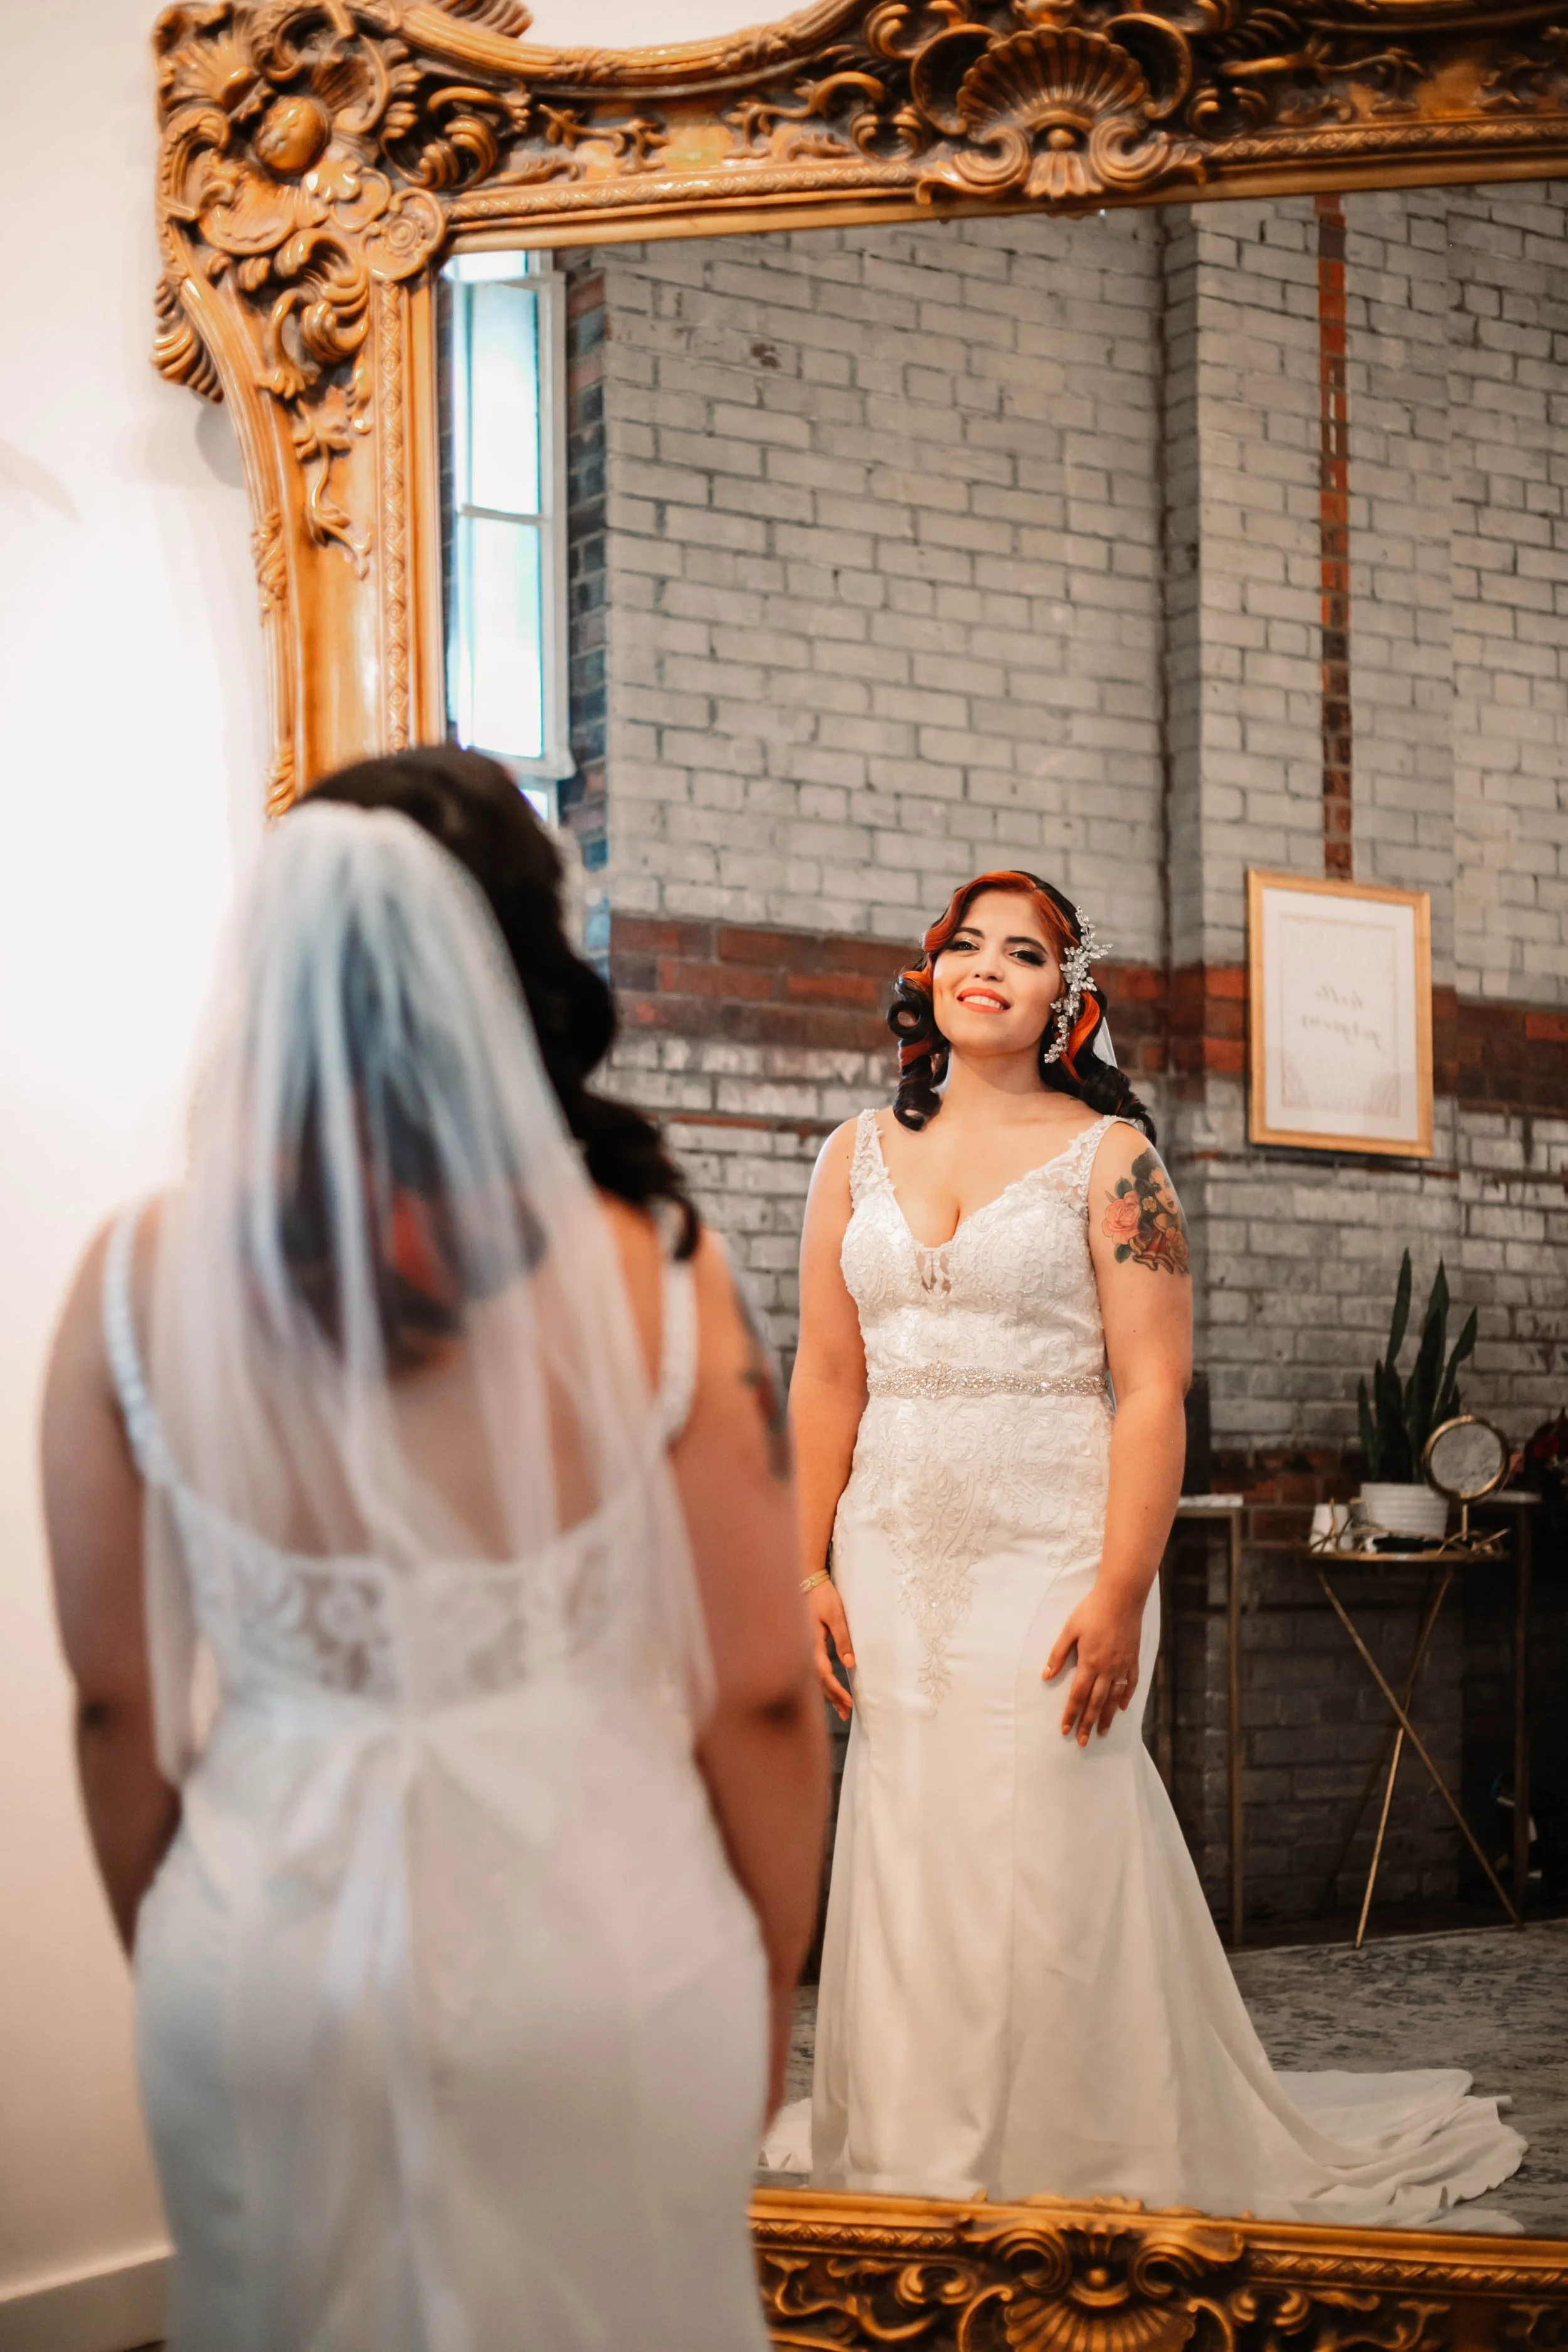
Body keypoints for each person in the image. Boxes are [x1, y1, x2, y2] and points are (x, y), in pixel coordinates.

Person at [43, 747, 827, 2352]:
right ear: (524, 960)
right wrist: (765, 1986)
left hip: (258, 1957)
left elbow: (116, 1705)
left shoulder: (134, 1279)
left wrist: (201, 1957)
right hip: (603, 1958)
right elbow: (758, 1696)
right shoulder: (655, 1268)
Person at [771, 867, 1524, 2228]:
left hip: (1056, 1546)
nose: (984, 965)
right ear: (929, 974)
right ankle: (913, 2156)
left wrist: (1122, 1589)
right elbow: (826, 1379)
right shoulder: (846, 1155)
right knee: (908, 1840)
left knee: (1052, 1842)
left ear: (1070, 996)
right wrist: (804, 1566)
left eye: (1024, 950)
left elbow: (1150, 1391)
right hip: (891, 1546)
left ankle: (1081, 2157)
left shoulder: (1112, 1158)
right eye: (963, 945)